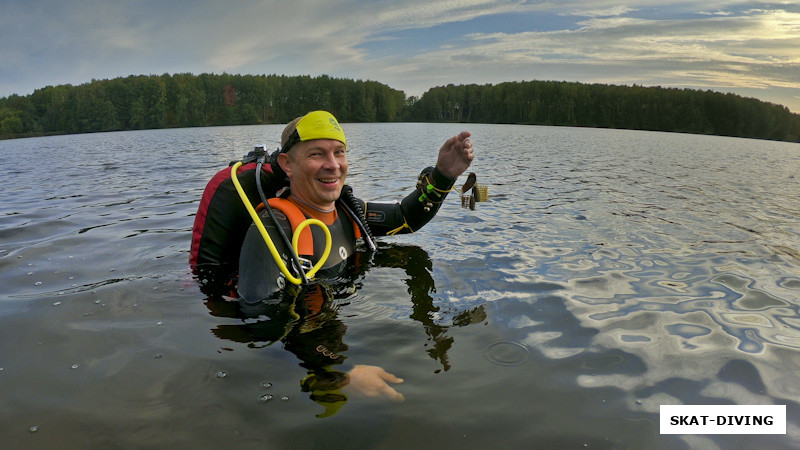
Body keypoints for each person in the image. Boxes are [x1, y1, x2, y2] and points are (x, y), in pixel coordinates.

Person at [192, 110, 474, 412]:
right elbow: (264, 322)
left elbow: (405, 218)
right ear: (287, 164)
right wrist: (340, 374)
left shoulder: (346, 210)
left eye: (339, 152)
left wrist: (444, 175)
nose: (333, 164)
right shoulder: (275, 228)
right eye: (317, 154)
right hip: (302, 360)